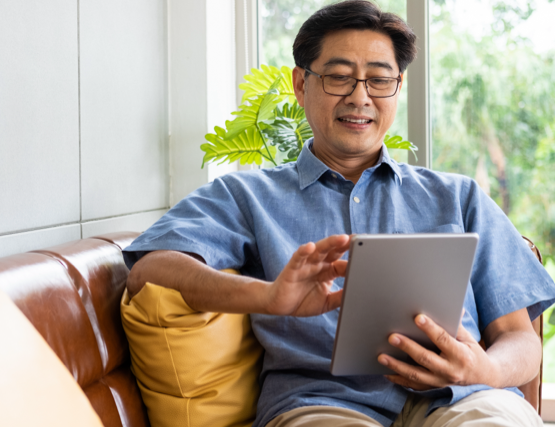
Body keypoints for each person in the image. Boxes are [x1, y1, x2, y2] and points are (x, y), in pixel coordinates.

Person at [122, 1, 555, 425]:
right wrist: (268, 298)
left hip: (463, 399)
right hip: (322, 402)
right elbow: (151, 269)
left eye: (379, 80)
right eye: (338, 77)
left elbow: (520, 339)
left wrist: (486, 371)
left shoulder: (459, 196)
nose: (359, 97)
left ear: (398, 87)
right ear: (300, 84)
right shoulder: (246, 195)